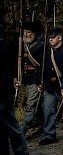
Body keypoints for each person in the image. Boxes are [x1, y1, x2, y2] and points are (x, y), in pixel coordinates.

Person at [39, 27, 63, 145]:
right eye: (49, 38)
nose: (50, 40)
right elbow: (43, 69)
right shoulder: (47, 53)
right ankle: (49, 134)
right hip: (50, 86)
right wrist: (42, 82)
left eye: (53, 38)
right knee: (48, 110)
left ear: (59, 37)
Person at [0, 24, 29, 155]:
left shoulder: (6, 46)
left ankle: (21, 151)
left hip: (8, 90)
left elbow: (10, 71)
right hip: (8, 89)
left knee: (13, 122)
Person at [20, 22, 44, 136]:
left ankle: (22, 130)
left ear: (34, 34)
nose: (26, 34)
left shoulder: (40, 46)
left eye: (28, 32)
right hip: (27, 79)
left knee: (31, 104)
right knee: (34, 104)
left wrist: (39, 82)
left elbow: (41, 66)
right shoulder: (24, 45)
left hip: (36, 78)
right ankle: (38, 126)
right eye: (25, 32)